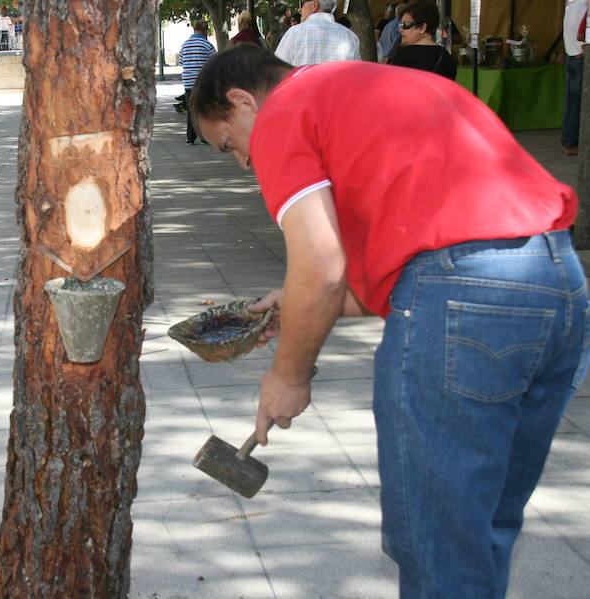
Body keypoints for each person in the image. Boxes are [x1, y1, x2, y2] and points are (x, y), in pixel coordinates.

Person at [190, 44, 587, 598]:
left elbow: (323, 267)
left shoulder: (285, 110)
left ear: (241, 101)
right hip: (555, 280)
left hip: (465, 300)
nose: (243, 162)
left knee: (438, 545)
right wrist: (298, 305)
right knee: (485, 524)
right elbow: (426, 262)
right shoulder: (372, 87)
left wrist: (288, 376)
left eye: (230, 143)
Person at [274, 0, 360, 66]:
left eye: (302, 4)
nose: (299, 9)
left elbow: (277, 71)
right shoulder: (350, 37)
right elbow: (356, 75)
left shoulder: (294, 34)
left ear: (315, 4)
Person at [389, 1, 456, 80]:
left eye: (405, 25)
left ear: (422, 28)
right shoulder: (446, 57)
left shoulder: (403, 55)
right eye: (400, 25)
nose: (400, 30)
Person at [178, 20, 216, 145]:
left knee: (191, 108)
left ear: (194, 30)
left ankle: (190, 137)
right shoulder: (207, 45)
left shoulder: (185, 45)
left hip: (188, 82)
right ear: (205, 31)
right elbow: (213, 63)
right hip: (202, 82)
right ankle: (205, 136)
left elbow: (181, 62)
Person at [562, 0, 586, 156]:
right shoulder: (585, 7)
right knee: (578, 104)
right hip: (581, 59)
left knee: (571, 102)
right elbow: (584, 39)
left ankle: (567, 142)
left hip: (571, 56)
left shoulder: (572, 7)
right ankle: (571, 143)